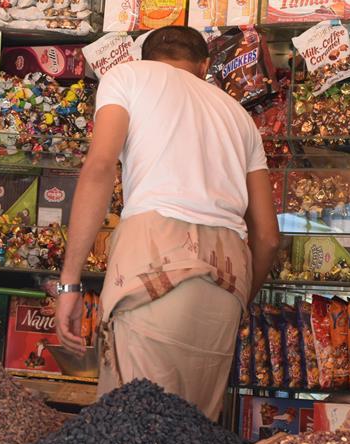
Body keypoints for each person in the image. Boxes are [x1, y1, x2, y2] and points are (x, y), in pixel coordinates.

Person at [55, 26, 280, 421]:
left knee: (131, 430)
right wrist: (240, 299)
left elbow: (100, 168)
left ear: (144, 57)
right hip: (228, 279)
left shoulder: (126, 77)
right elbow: (267, 237)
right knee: (192, 438)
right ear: (205, 66)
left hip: (154, 259)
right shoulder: (239, 116)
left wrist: (70, 283)